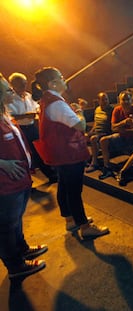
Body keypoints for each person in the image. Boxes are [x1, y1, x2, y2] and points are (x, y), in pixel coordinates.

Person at [31, 67, 109, 239]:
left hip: (59, 152)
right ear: (52, 83)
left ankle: (70, 219)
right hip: (68, 152)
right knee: (74, 191)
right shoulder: (56, 103)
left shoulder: (48, 100)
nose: (64, 78)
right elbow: (80, 125)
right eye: (61, 76)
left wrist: (73, 111)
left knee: (65, 187)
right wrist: (80, 111)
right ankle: (85, 226)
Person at [0, 73, 48, 279]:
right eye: (7, 89)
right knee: (6, 227)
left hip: (19, 181)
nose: (12, 90)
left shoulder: (4, 114)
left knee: (16, 220)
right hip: (5, 185)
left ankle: (23, 249)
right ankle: (16, 266)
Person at [6, 72, 57, 183]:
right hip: (19, 130)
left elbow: (37, 109)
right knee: (24, 154)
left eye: (25, 84)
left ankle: (51, 174)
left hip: (32, 127)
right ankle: (27, 179)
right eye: (21, 84)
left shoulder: (29, 96)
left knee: (39, 150)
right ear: (13, 84)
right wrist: (26, 115)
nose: (24, 87)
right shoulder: (10, 98)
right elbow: (9, 116)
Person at [99, 90, 133, 186]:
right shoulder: (117, 110)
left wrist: (127, 131)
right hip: (121, 137)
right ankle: (107, 167)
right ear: (120, 101)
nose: (126, 102)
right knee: (103, 140)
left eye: (128, 99)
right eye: (123, 100)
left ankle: (123, 170)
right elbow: (113, 128)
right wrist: (124, 122)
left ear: (131, 100)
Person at [85, 92, 114, 173]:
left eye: (106, 99)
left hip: (105, 132)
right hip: (97, 131)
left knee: (93, 138)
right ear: (99, 101)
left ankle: (94, 162)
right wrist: (90, 131)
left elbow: (112, 124)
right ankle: (85, 159)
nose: (105, 101)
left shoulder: (111, 110)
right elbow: (96, 122)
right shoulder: (97, 109)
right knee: (83, 136)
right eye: (103, 100)